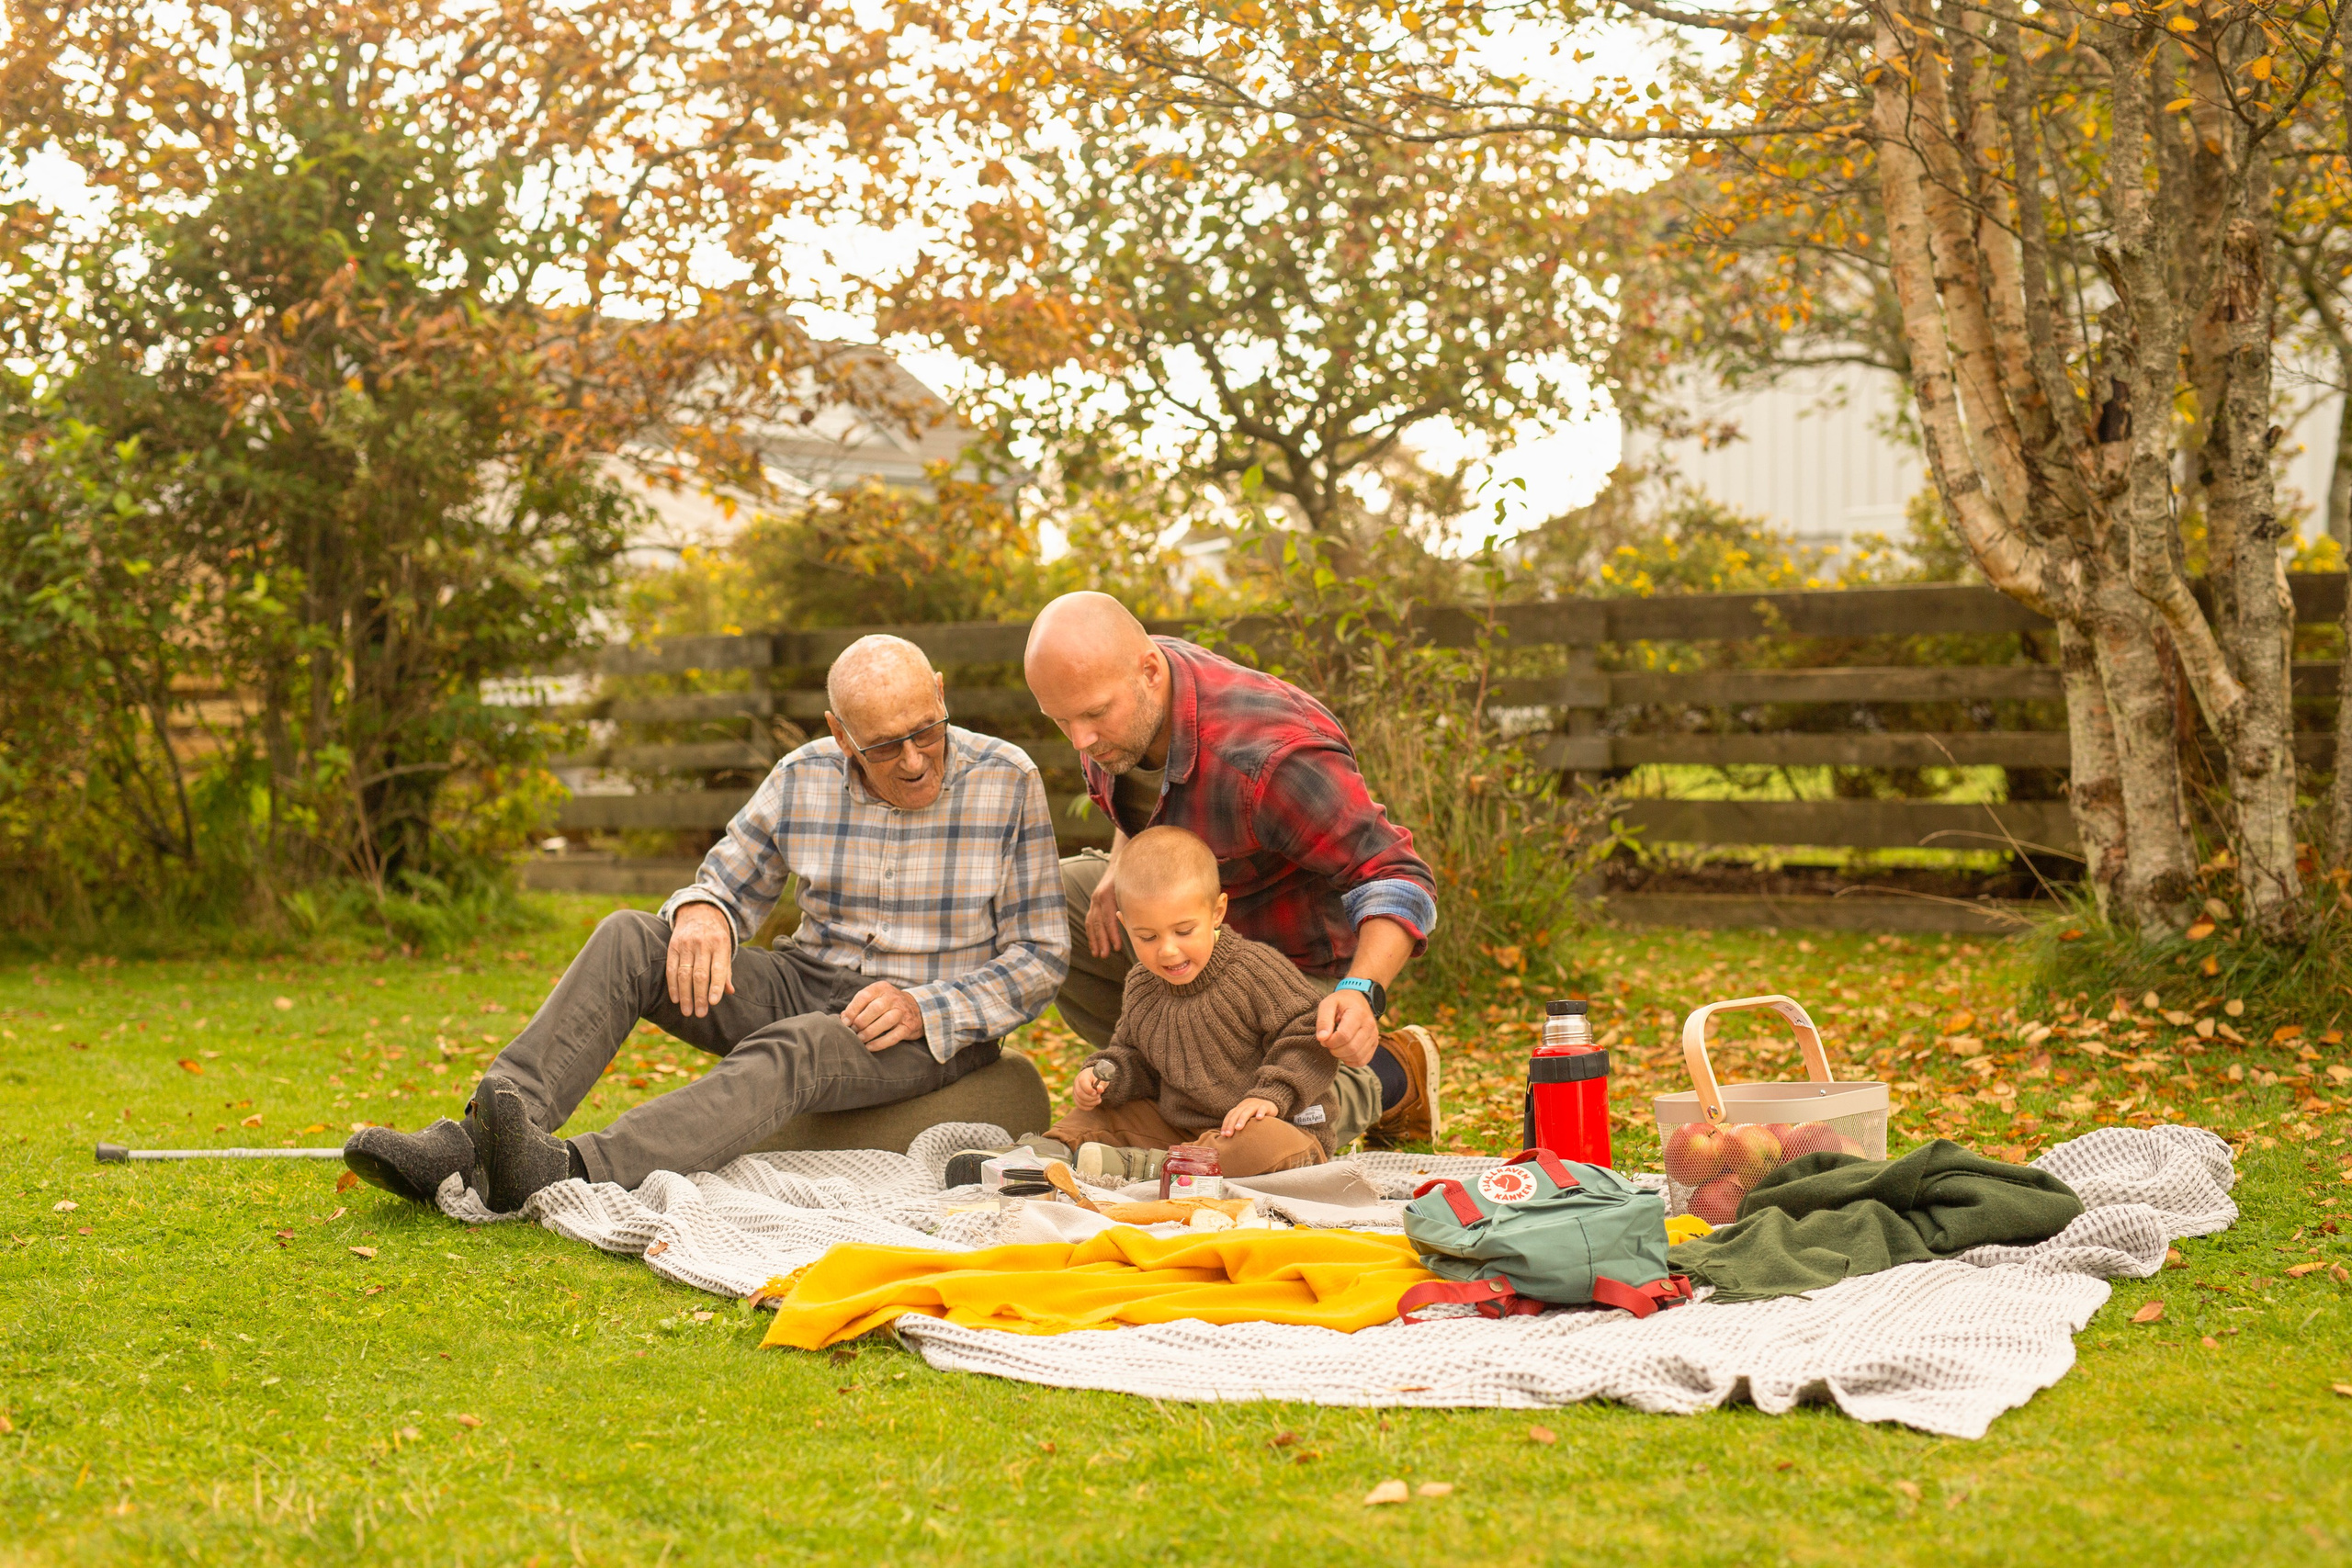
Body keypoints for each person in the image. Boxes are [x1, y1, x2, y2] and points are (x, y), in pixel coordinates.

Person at [342, 635, 1069, 1212]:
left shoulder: (1009, 779)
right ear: (841, 734)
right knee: (633, 936)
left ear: (941, 692)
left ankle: (570, 1166)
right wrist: (703, 911)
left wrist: (926, 1006)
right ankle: (471, 1141)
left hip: (925, 1023)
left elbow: (1040, 953)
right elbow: (726, 879)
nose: (913, 759)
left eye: (926, 730)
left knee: (805, 1044)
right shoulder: (802, 774)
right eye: (884, 746)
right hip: (806, 977)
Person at [1022, 592, 1442, 1149]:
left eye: (1095, 715)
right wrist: (1122, 862)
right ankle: (1173, 1085)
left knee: (1269, 1144)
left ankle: (1389, 1075)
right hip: (1188, 935)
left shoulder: (1269, 758)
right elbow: (1154, 794)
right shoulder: (1111, 695)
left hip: (1292, 973)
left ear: (1150, 671)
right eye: (1061, 721)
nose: (1080, 740)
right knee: (1051, 900)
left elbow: (1397, 875)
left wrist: (1362, 991)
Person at [1036, 825, 1340, 1180]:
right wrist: (1105, 1075)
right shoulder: (1142, 987)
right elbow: (1134, 1057)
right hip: (1179, 1131)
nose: (1167, 950)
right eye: (1146, 936)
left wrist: (1271, 1096)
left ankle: (1151, 1168)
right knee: (1093, 1118)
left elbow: (1308, 1036)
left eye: (1184, 931)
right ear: (1124, 925)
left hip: (1280, 1128)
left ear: (1216, 912)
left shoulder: (1254, 970)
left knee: (1257, 1142)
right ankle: (1042, 1156)